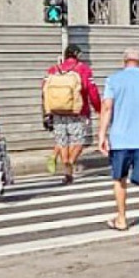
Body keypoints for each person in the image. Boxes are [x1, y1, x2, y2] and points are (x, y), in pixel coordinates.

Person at [98, 48, 139, 240]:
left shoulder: (113, 80)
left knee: (119, 179)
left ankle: (121, 219)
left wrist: (102, 135)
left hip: (119, 139)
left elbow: (107, 108)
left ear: (124, 61)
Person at [43, 44, 100, 185]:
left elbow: (44, 91)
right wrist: (98, 108)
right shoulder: (83, 69)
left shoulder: (53, 70)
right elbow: (92, 91)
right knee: (78, 141)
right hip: (77, 112)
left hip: (57, 112)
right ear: (77, 55)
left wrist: (46, 111)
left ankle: (67, 172)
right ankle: (70, 161)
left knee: (63, 141)